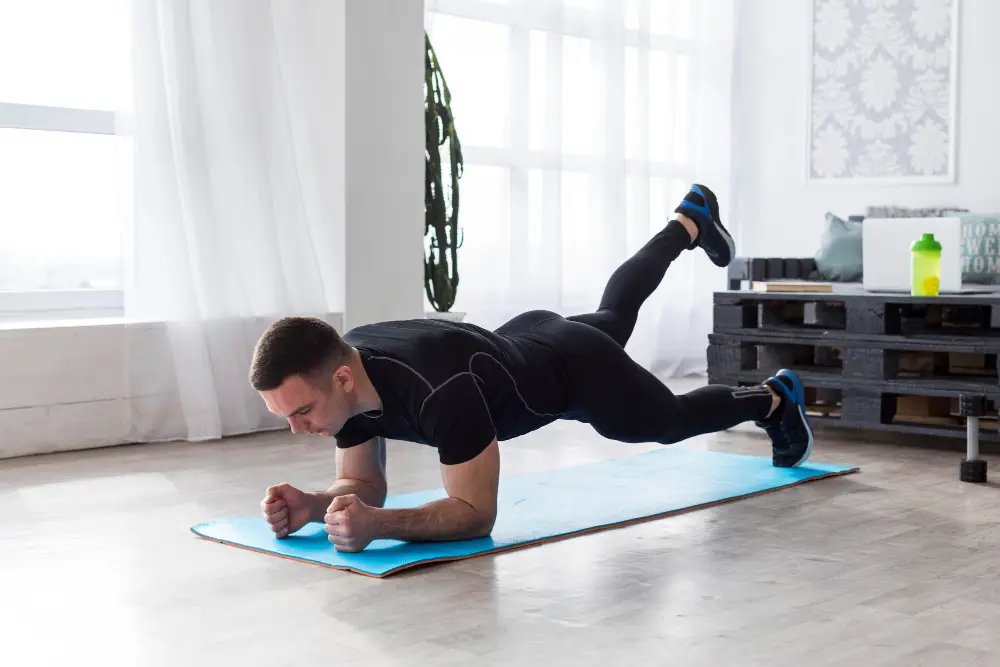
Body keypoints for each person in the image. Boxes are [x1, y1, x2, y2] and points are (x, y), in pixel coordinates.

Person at [251, 184, 814, 553]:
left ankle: (773, 399)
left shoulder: (440, 395)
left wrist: (380, 525)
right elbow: (364, 483)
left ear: (342, 378)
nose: (297, 427)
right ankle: (689, 222)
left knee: (664, 421)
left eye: (301, 411)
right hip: (526, 338)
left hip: (574, 373)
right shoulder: (341, 378)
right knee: (615, 314)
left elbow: (475, 515)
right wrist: (315, 506)